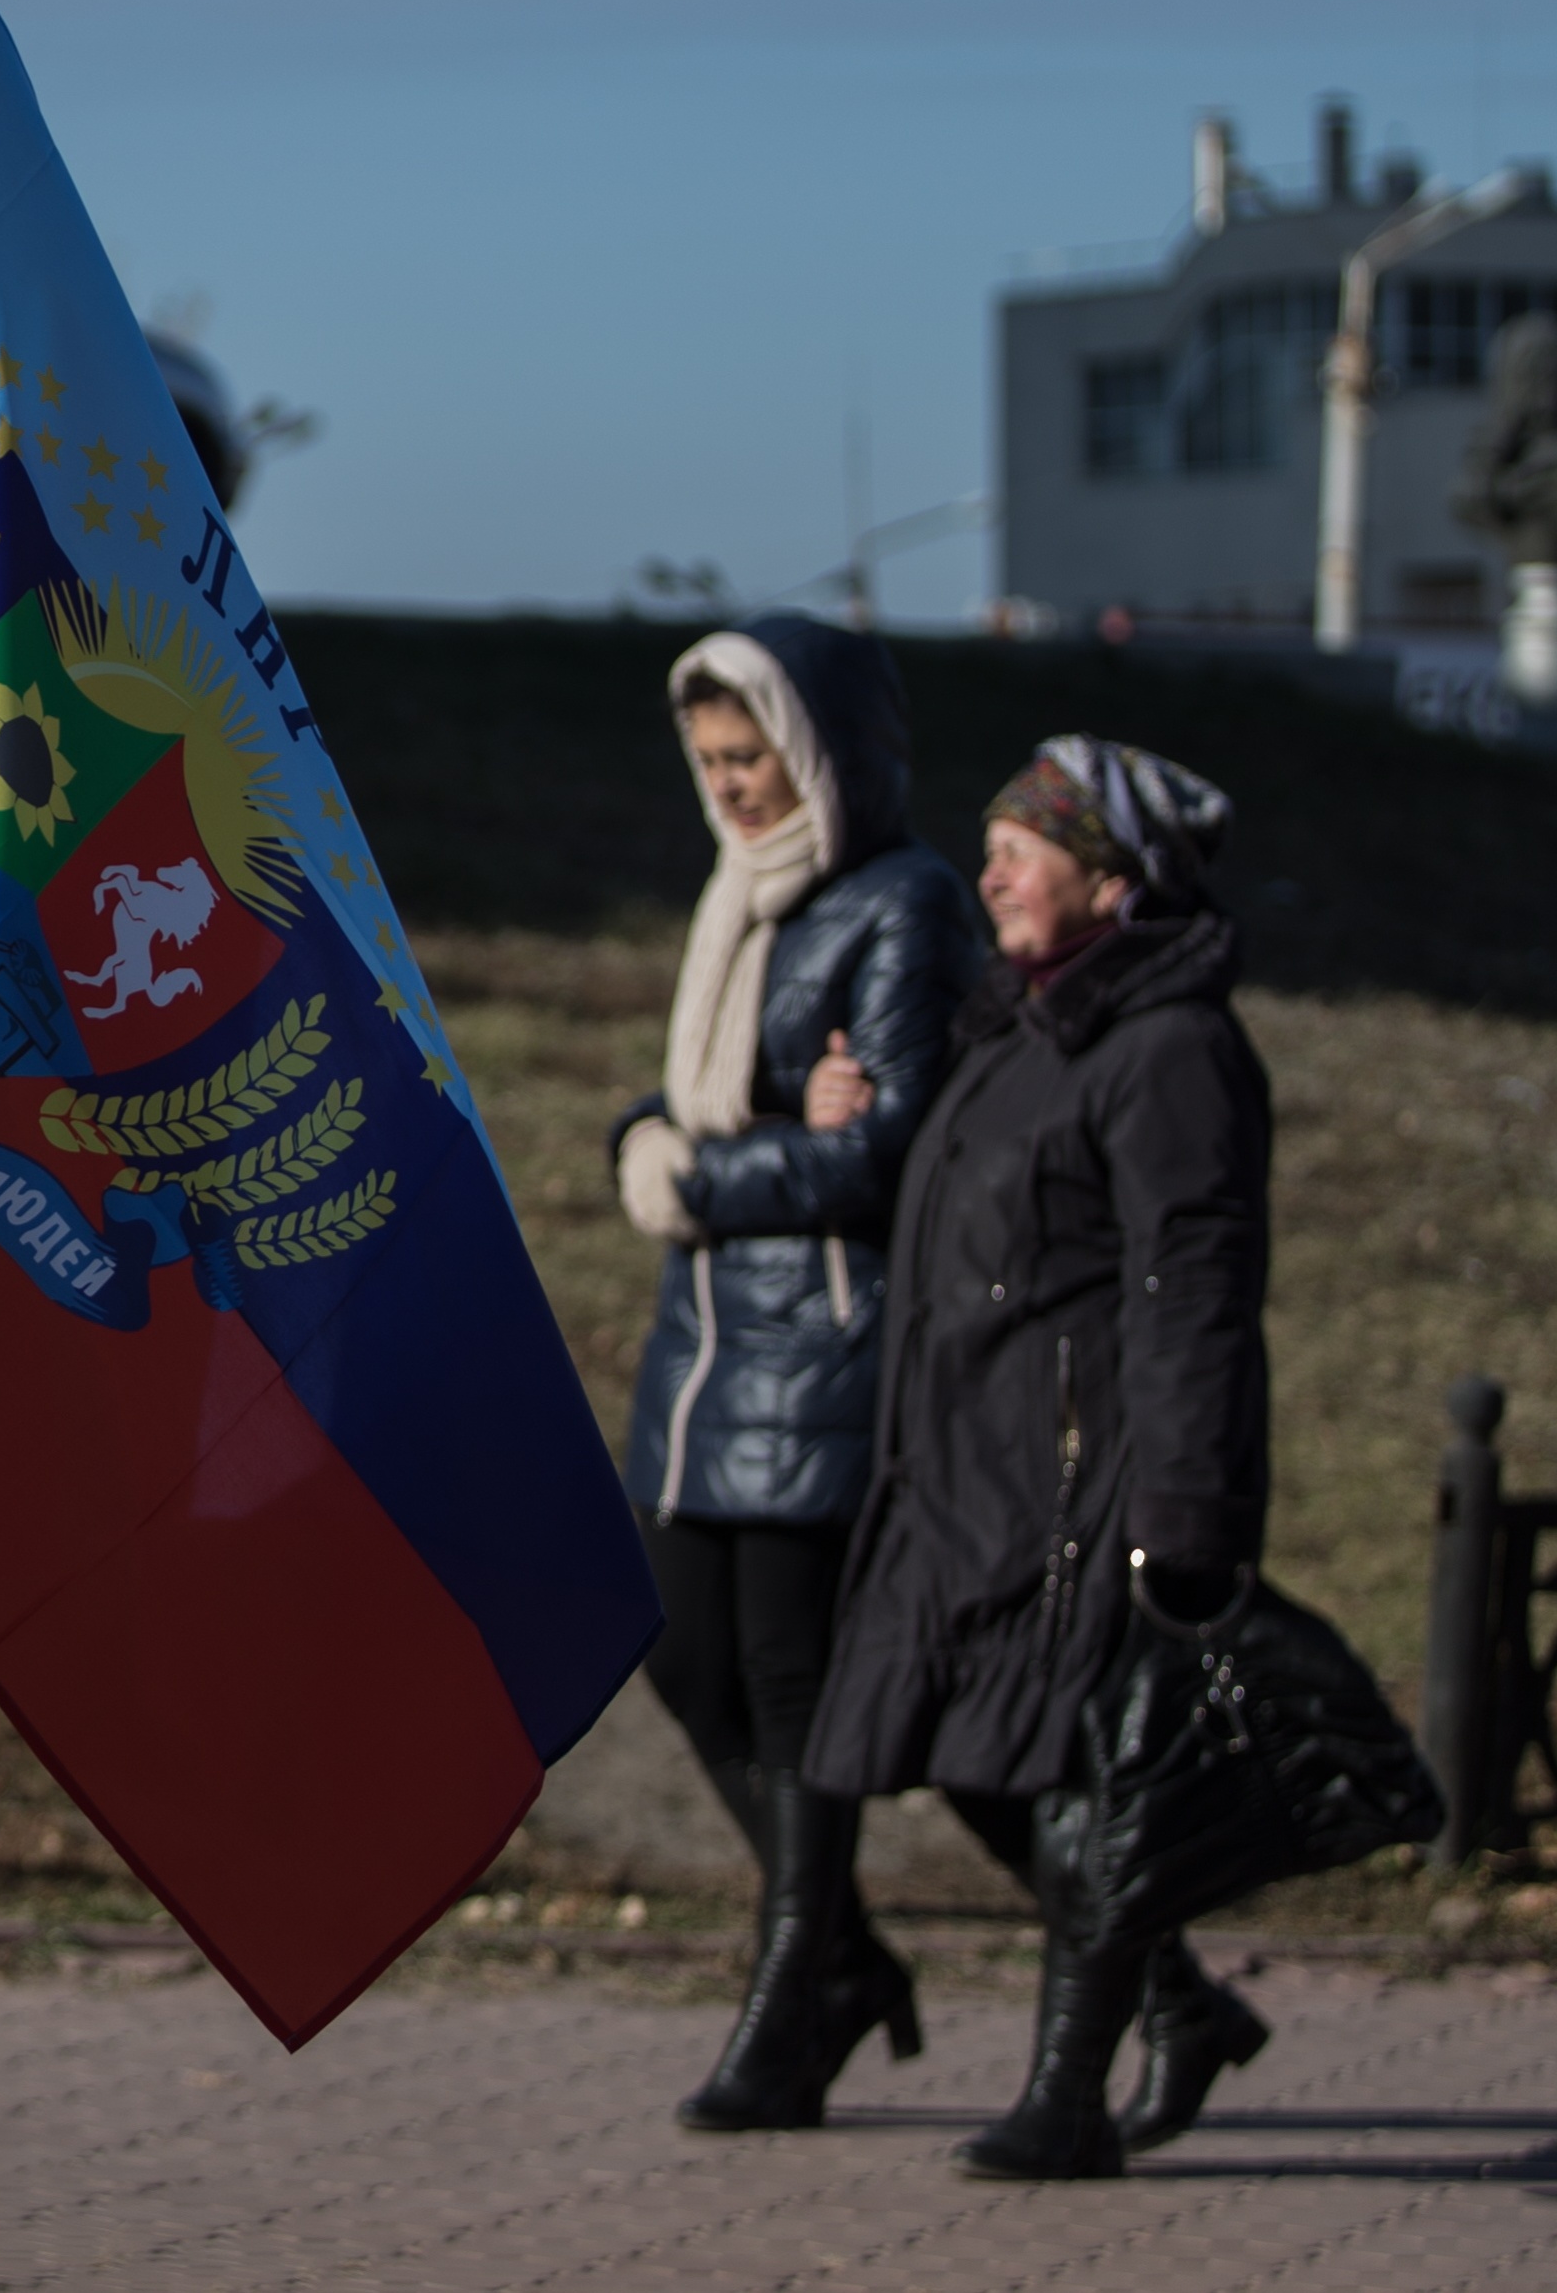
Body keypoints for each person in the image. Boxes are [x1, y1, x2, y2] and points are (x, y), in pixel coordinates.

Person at [802, 735, 1272, 2184]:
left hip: (1087, 1485)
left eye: (1024, 848)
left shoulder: (1172, 1049)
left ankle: (1070, 2096)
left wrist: (1184, 1510)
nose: (992, 872)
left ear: (1113, 876)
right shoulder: (1020, 1023)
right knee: (969, 1755)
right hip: (962, 1469)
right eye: (993, 846)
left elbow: (1193, 1288)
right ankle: (1182, 2006)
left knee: (1075, 1781)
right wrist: (849, 1118)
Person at [607, 615, 979, 2132]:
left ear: (820, 750)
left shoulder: (904, 903)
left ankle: (792, 2001)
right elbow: (694, 1108)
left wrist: (699, 1173)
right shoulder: (738, 897)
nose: (732, 785)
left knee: (786, 1681)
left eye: (752, 754)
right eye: (709, 759)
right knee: (675, 1648)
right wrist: (663, 1139)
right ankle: (847, 1955)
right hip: (706, 1348)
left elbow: (885, 1151)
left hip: (821, 1346)